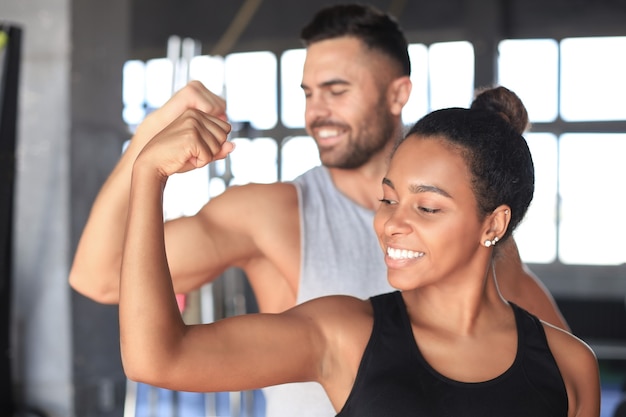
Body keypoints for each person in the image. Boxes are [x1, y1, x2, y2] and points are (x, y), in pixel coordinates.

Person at [69, 4, 568, 415]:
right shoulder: (271, 212)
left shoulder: (469, 232)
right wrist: (144, 145)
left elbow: (556, 367)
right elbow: (98, 277)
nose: (316, 112)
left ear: (398, 94)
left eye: (337, 90)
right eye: (308, 93)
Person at [118, 86, 600, 416]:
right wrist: (148, 175)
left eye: (427, 207)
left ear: (492, 223)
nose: (393, 223)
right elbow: (157, 358)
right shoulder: (344, 333)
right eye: (388, 199)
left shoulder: (569, 367)